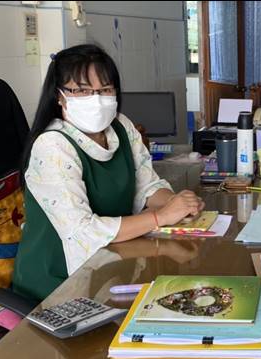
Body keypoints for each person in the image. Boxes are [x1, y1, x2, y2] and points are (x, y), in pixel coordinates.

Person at [12, 44, 204, 302]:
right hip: (58, 284)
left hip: (111, 263)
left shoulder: (121, 127)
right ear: (59, 96)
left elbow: (146, 185)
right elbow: (84, 232)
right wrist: (161, 216)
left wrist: (176, 202)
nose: (96, 99)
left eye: (105, 90)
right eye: (81, 90)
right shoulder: (53, 146)